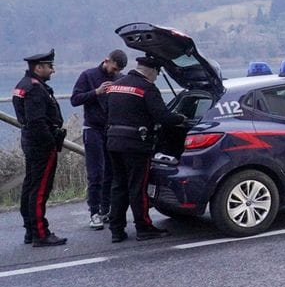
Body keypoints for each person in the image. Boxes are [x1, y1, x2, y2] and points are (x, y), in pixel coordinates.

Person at [105, 56, 186, 242]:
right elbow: (163, 116)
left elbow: (107, 112)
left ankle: (116, 230)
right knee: (138, 187)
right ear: (151, 71)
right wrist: (181, 119)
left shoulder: (117, 84)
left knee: (118, 186)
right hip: (135, 145)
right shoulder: (146, 88)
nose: (156, 77)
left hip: (113, 142)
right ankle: (143, 227)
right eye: (157, 73)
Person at [12, 49, 67, 247]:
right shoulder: (35, 88)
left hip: (31, 142)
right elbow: (36, 122)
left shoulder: (23, 85)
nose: (52, 70)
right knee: (40, 189)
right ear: (39, 67)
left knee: (30, 186)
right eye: (50, 66)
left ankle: (30, 229)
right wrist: (51, 143)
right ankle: (40, 233)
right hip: (41, 146)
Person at [70, 49, 127, 231]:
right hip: (93, 129)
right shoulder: (88, 75)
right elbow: (75, 99)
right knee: (96, 173)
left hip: (111, 130)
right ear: (107, 60)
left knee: (111, 172)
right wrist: (96, 92)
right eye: (114, 68)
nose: (114, 72)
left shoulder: (120, 78)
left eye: (118, 70)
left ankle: (106, 209)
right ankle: (93, 212)